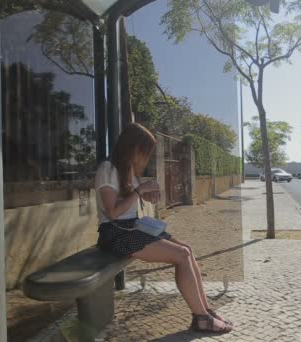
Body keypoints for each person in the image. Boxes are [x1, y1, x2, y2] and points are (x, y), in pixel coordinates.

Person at [95, 123, 233, 333]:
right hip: (115, 233)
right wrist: (139, 191)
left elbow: (129, 204)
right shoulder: (108, 169)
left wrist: (145, 196)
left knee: (186, 249)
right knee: (181, 254)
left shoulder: (127, 171)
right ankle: (201, 319)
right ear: (132, 147)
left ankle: (205, 309)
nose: (146, 157)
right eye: (145, 151)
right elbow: (113, 212)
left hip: (132, 227)